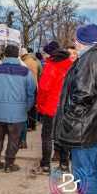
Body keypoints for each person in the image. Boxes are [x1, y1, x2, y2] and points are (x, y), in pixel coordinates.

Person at [53, 24, 97, 194]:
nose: (75, 43)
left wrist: (69, 120)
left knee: (84, 176)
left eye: (76, 40)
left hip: (84, 129)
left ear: (82, 41)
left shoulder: (90, 60)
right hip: (92, 126)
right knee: (92, 172)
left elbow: (83, 95)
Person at [0, 45, 36, 173]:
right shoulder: (25, 71)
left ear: (4, 55)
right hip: (18, 111)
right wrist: (27, 107)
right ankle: (9, 163)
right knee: (14, 138)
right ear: (17, 55)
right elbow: (32, 92)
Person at [31, 45, 73, 175]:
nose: (44, 56)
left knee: (47, 136)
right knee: (63, 135)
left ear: (50, 54)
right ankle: (64, 165)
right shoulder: (71, 65)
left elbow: (44, 88)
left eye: (45, 53)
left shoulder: (51, 65)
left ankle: (45, 166)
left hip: (52, 105)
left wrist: (40, 104)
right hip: (67, 105)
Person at [19, 48, 40, 147]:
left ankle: (30, 125)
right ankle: (33, 124)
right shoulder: (33, 61)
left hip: (29, 86)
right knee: (33, 107)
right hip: (35, 84)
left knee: (28, 109)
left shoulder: (25, 63)